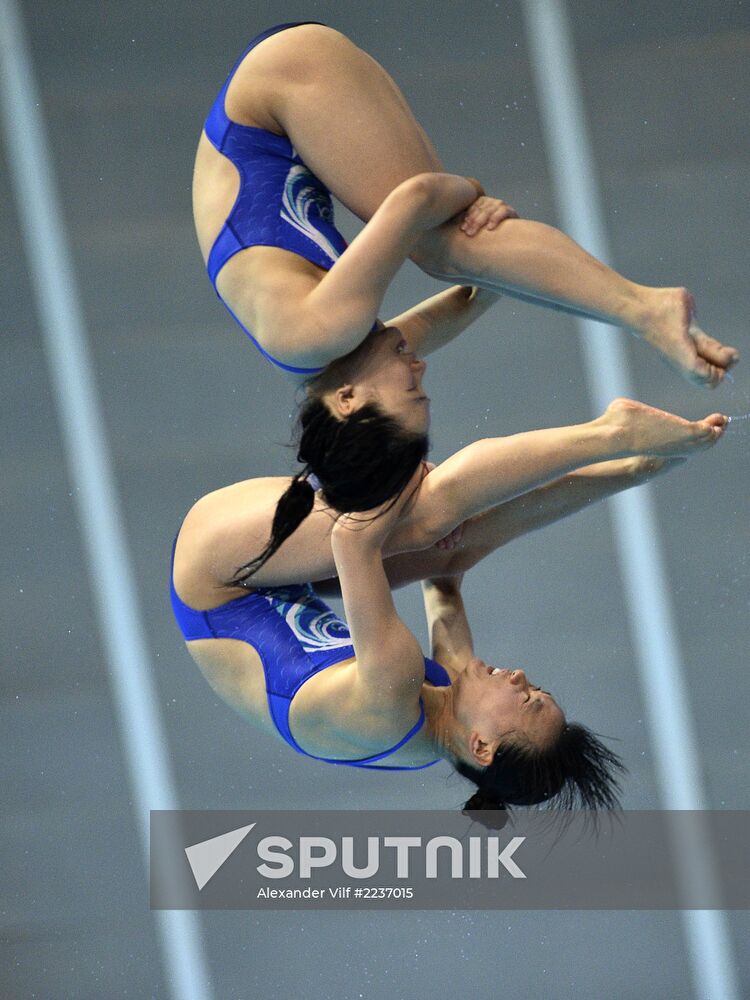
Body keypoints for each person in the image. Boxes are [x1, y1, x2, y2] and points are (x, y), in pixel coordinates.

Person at [171, 395, 727, 822]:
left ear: (481, 745)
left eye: (527, 700)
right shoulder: (442, 720)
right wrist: (640, 473)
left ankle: (611, 434)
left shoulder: (392, 691)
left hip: (218, 574)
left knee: (430, 513)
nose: (520, 676)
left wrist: (408, 472)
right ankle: (637, 468)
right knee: (454, 543)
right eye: (537, 688)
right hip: (275, 587)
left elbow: (351, 538)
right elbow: (447, 578)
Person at [193, 21, 738, 383]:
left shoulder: (319, 334)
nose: (421, 379)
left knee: (442, 244)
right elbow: (454, 307)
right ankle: (644, 313)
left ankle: (648, 309)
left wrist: (472, 194)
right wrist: (500, 281)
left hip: (277, 88)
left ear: (351, 403)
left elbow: (420, 196)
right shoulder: (322, 359)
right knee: (452, 254)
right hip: (269, 107)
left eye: (413, 401)